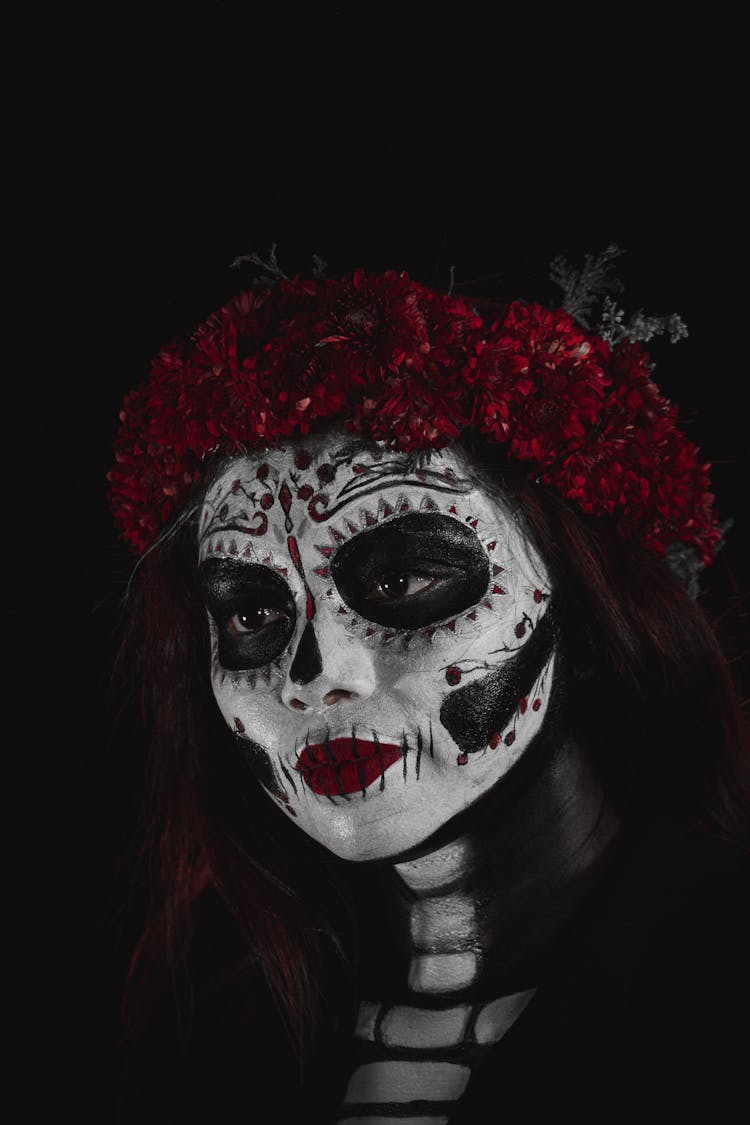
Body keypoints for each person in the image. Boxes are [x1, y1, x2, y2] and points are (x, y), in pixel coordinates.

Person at [108, 256, 749, 1123]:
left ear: (590, 613)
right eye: (254, 614)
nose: (317, 674)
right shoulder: (213, 1022)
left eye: (404, 579)